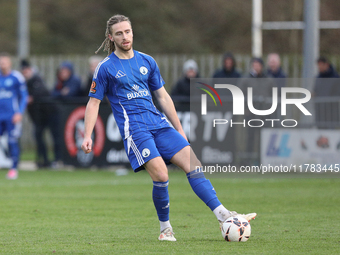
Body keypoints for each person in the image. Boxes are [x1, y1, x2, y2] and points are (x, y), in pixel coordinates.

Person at [81, 14, 256, 242]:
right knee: (162, 175)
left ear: (132, 32)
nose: (125, 37)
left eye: (128, 31)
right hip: (135, 130)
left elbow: (163, 97)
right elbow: (93, 103)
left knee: (194, 165)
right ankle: (165, 229)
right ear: (110, 37)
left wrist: (179, 130)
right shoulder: (105, 68)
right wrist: (87, 135)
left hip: (159, 123)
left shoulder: (147, 61)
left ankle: (223, 215)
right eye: (119, 33)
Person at [20, 59, 62, 168]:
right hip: (39, 117)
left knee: (55, 137)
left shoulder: (37, 80)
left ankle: (57, 160)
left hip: (50, 113)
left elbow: (42, 92)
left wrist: (31, 97)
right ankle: (44, 159)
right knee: (38, 136)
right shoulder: (24, 83)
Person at [0, 52, 28, 179]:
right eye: (1, 62)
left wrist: (19, 112)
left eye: (4, 62)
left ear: (9, 63)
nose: (2, 64)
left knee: (12, 142)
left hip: (12, 116)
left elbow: (24, 96)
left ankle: (13, 169)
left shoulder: (16, 77)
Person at [313, 57, 340, 128]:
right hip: (320, 111)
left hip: (331, 112)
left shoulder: (335, 77)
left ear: (326, 65)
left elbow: (337, 93)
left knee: (330, 132)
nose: (319, 67)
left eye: (321, 65)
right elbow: (316, 90)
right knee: (320, 130)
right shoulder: (318, 77)